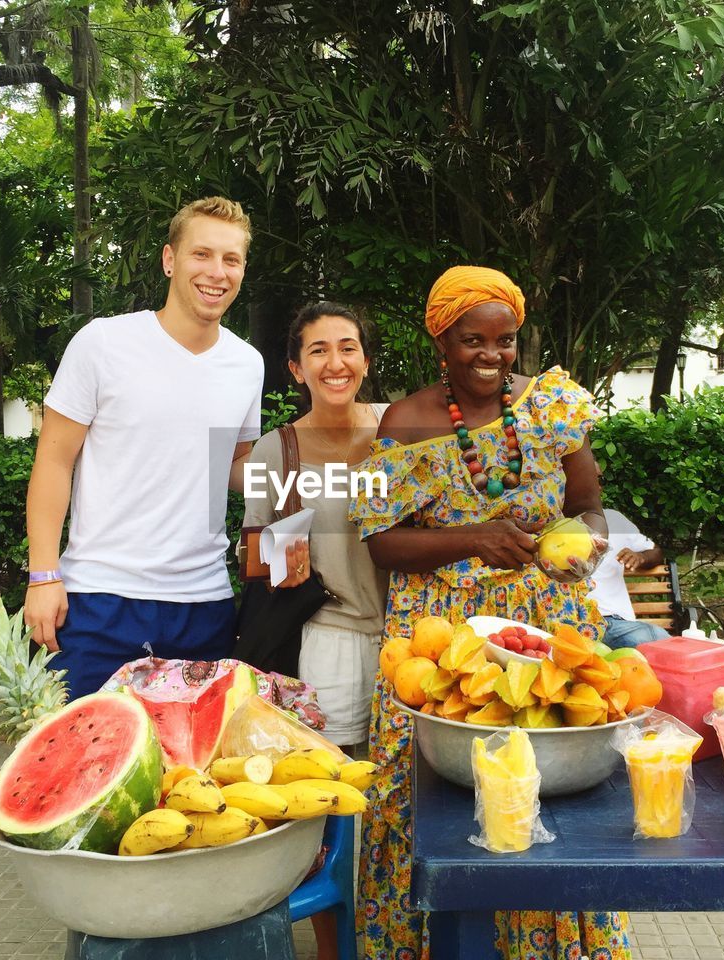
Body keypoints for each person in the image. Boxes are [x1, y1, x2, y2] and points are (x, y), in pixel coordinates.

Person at [348, 266, 632, 960]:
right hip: (443, 643)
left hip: (543, 627)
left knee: (549, 791)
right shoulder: (405, 421)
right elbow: (382, 543)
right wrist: (472, 539)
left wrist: (585, 542)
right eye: (472, 340)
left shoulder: (550, 406)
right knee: (427, 799)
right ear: (441, 339)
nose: (491, 356)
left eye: (505, 342)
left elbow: (588, 502)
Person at [23, 197, 263, 698]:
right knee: (86, 768)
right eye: (202, 254)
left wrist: (330, 469)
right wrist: (43, 575)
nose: (216, 272)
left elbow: (236, 468)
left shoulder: (248, 364)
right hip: (98, 600)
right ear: (169, 259)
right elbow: (53, 460)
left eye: (231, 259)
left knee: (193, 774)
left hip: (205, 605)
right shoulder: (102, 343)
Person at [242, 302, 388, 749]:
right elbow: (251, 555)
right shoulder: (273, 450)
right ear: (297, 369)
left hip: (412, 631)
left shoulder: (399, 427)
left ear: (365, 360)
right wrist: (278, 560)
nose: (335, 363)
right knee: (335, 779)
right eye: (319, 351)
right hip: (330, 638)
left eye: (348, 348)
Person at [589, 508, 671, 648]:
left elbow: (655, 551)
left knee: (655, 642)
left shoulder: (613, 519)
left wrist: (641, 557)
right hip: (568, 621)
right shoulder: (552, 521)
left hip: (613, 621)